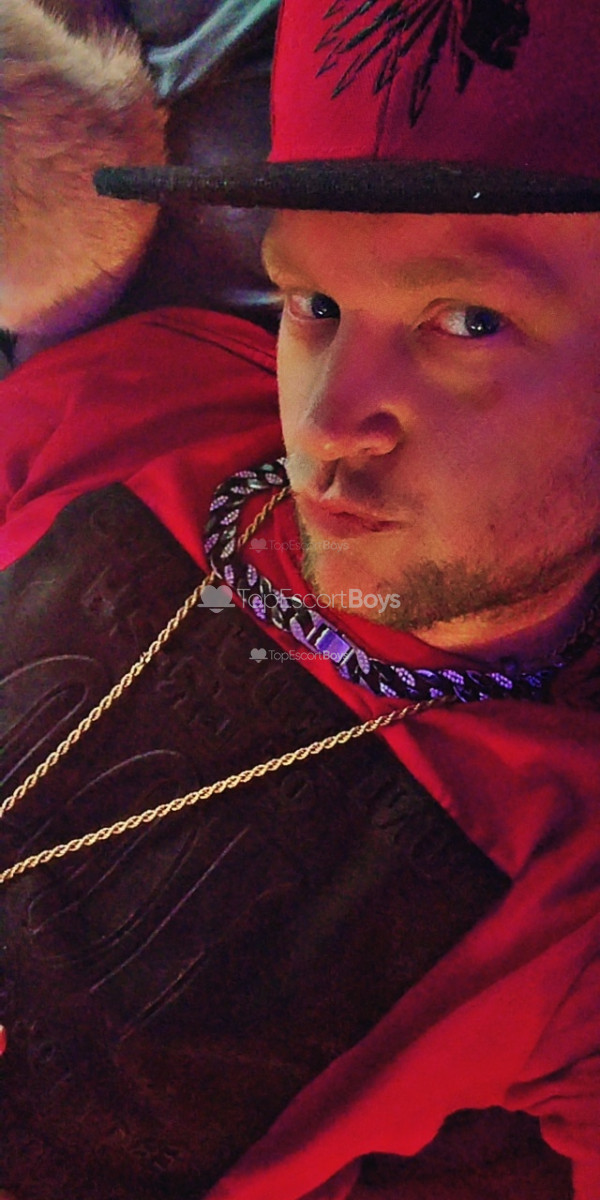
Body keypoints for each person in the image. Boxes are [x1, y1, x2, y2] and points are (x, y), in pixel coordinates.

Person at [1, 2, 599, 1198]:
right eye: (311, 305)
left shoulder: (568, 890)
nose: (324, 423)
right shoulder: (149, 388)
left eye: (468, 321)